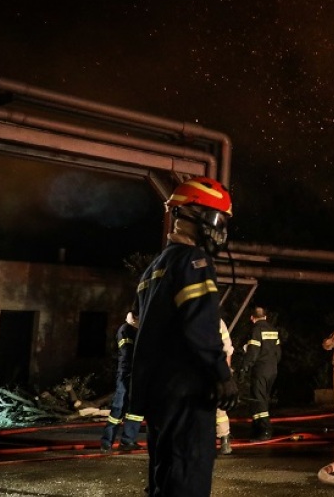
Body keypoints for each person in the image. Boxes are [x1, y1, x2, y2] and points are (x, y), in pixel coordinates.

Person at [129, 176, 239, 497]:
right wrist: (221, 374)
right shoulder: (193, 261)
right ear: (188, 214)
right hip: (188, 393)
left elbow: (143, 329)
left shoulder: (154, 269)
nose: (218, 229)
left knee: (164, 478)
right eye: (216, 219)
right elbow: (199, 324)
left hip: (160, 396)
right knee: (187, 479)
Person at [100, 310, 144, 453]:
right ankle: (107, 442)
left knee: (135, 409)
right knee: (119, 407)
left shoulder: (136, 330)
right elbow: (127, 353)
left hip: (136, 374)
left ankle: (128, 441)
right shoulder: (125, 330)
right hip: (126, 373)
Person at [240, 306, 281, 440]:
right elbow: (278, 352)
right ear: (265, 317)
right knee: (263, 398)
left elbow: (253, 352)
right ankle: (257, 428)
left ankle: (265, 430)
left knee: (258, 398)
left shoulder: (256, 330)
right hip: (272, 369)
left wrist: (244, 367)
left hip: (260, 369)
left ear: (252, 318)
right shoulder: (273, 330)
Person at [216, 319, 234, 455]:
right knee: (219, 407)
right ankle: (225, 440)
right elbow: (227, 349)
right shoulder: (217, 320)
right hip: (215, 368)